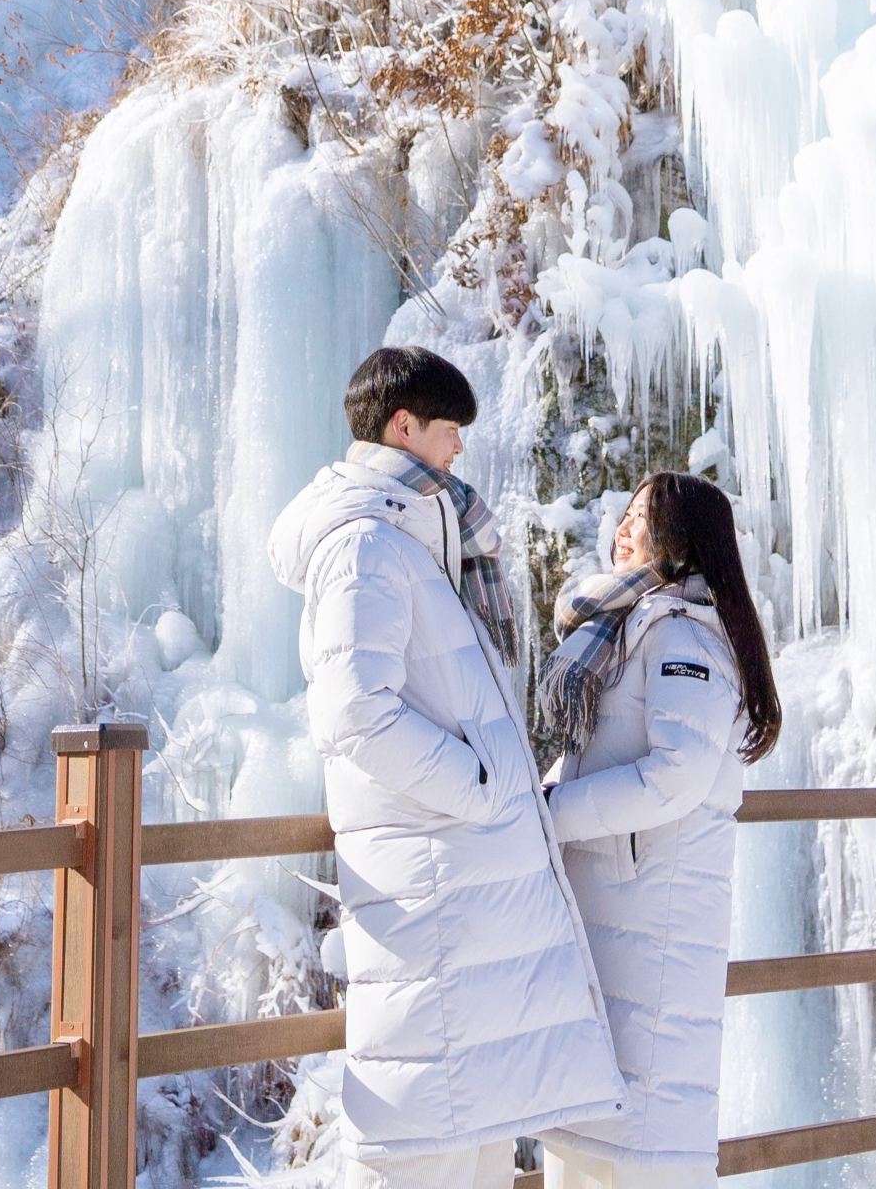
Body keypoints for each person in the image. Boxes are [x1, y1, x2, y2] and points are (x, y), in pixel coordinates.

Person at [268, 345, 625, 1189]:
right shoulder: (364, 547)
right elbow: (355, 708)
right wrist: (477, 786)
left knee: (472, 1143)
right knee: (426, 1150)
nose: (460, 447)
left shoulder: (416, 543)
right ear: (403, 426)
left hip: (459, 901)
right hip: (434, 889)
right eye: (449, 429)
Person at [534, 472, 782, 1189]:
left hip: (652, 917)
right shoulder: (631, 625)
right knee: (591, 1141)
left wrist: (553, 814)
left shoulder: (685, 637)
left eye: (641, 517)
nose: (622, 527)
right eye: (625, 513)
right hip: (618, 912)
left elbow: (675, 775)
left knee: (639, 1149)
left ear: (680, 541)